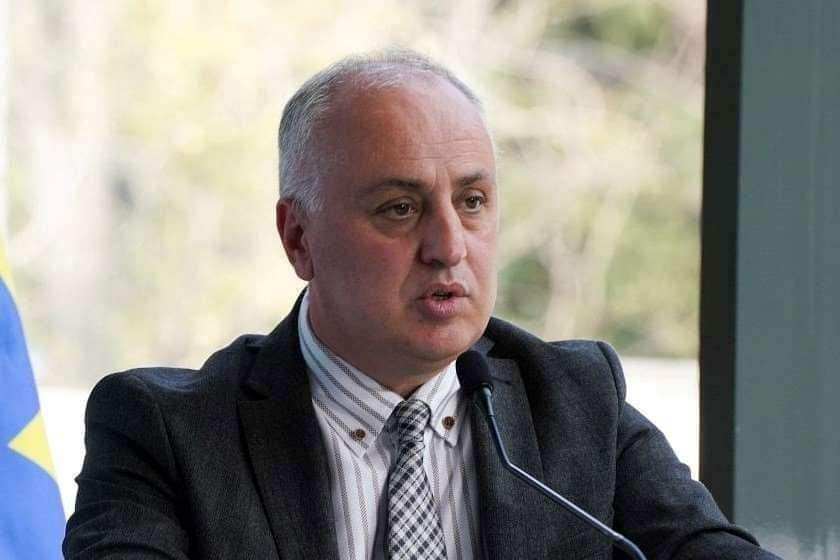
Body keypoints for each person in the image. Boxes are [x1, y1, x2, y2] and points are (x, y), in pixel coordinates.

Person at [64, 50, 780, 559]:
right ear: (299, 238)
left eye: (472, 201)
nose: (449, 246)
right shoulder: (167, 433)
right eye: (400, 208)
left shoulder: (576, 401)